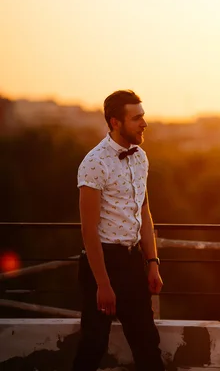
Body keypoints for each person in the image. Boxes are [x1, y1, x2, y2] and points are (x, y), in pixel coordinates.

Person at [72, 89, 165, 370]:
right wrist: (103, 284)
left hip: (133, 262)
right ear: (115, 122)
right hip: (103, 264)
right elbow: (89, 231)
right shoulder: (94, 163)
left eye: (143, 116)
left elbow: (144, 213)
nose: (144, 123)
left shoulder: (140, 158)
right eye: (136, 118)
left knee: (148, 343)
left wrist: (152, 262)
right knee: (93, 345)